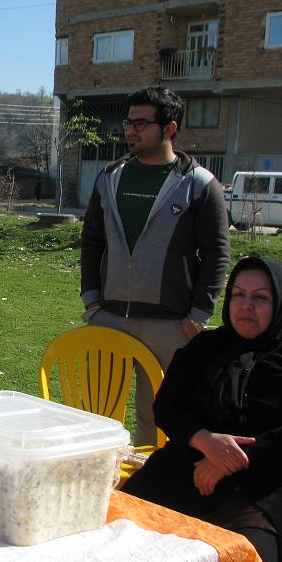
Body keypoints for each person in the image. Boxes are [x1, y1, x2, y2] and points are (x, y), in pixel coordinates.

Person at [80, 86, 231, 446]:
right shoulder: (110, 177)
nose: (130, 131)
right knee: (98, 414)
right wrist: (92, 300)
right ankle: (104, 476)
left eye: (141, 124)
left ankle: (151, 479)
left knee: (158, 416)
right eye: (128, 122)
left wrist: (196, 318)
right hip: (109, 317)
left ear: (170, 128)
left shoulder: (199, 184)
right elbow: (92, 242)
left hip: (169, 325)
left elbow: (217, 254)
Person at [122, 257, 282, 562]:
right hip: (188, 468)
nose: (246, 306)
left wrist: (226, 461)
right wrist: (205, 441)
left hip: (258, 488)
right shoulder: (206, 347)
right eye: (238, 295)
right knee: (121, 527)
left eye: (260, 297)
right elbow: (167, 406)